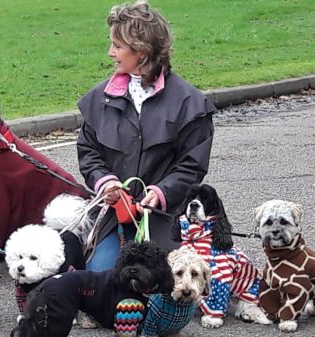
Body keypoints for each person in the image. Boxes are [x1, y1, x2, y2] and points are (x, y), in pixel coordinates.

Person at [77, 0, 216, 271]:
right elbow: (88, 151)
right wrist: (105, 183)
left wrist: (161, 192)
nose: (110, 52)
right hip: (114, 217)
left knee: (159, 278)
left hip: (166, 215)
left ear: (141, 51)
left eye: (117, 46)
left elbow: (192, 165)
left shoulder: (190, 103)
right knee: (101, 277)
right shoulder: (98, 99)